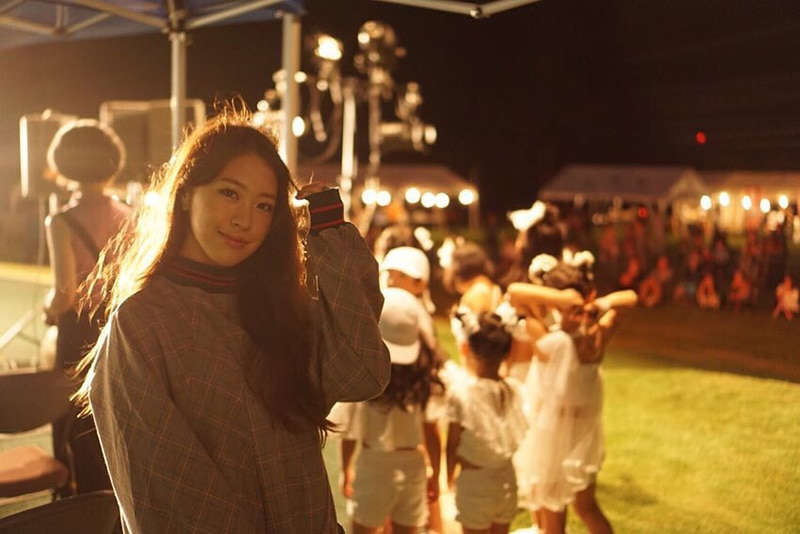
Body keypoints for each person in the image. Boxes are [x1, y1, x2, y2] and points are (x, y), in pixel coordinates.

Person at [74, 106, 391, 533]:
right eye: (229, 193)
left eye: (264, 205)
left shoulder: (277, 309)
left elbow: (362, 371)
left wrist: (330, 232)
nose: (245, 220)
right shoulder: (141, 323)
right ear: (186, 193)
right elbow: (171, 495)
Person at [508, 252, 637, 534]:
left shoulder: (549, 341)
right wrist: (597, 305)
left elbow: (514, 293)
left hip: (551, 437)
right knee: (586, 507)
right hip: (583, 436)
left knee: (553, 514)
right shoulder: (597, 335)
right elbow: (630, 299)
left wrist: (560, 299)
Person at [43, 118, 130, 496]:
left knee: (72, 422)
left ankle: (78, 503)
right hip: (118, 325)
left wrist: (48, 307)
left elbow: (65, 294)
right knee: (112, 419)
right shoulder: (129, 215)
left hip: (77, 331)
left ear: (64, 163)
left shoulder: (61, 221)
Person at [338, 287, 445, 534]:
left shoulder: (364, 378)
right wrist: (436, 473)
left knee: (363, 530)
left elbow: (350, 433)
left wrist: (345, 469)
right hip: (413, 465)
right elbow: (432, 432)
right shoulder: (423, 379)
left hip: (373, 464)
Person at [446, 309, 528, 534]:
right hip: (507, 478)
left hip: (475, 480)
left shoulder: (463, 394)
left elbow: (452, 444)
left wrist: (449, 478)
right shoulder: (513, 390)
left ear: (468, 348)